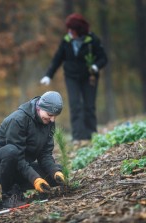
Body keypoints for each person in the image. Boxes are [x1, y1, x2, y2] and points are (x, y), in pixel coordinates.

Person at [0, 91, 66, 208]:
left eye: (55, 116)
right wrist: (35, 179)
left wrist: (54, 171)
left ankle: (17, 187)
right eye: (50, 115)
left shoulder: (49, 122)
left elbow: (45, 154)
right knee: (11, 150)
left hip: (19, 167)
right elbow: (17, 156)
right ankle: (9, 196)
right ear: (40, 107)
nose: (52, 120)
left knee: (57, 174)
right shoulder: (18, 119)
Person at [40, 13, 108, 148]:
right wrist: (49, 75)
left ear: (80, 30)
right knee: (75, 105)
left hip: (89, 77)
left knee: (89, 106)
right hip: (71, 77)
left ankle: (91, 134)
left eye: (72, 30)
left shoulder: (92, 40)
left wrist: (95, 66)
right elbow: (57, 59)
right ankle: (77, 136)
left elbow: (103, 58)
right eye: (69, 30)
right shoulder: (66, 40)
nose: (69, 32)